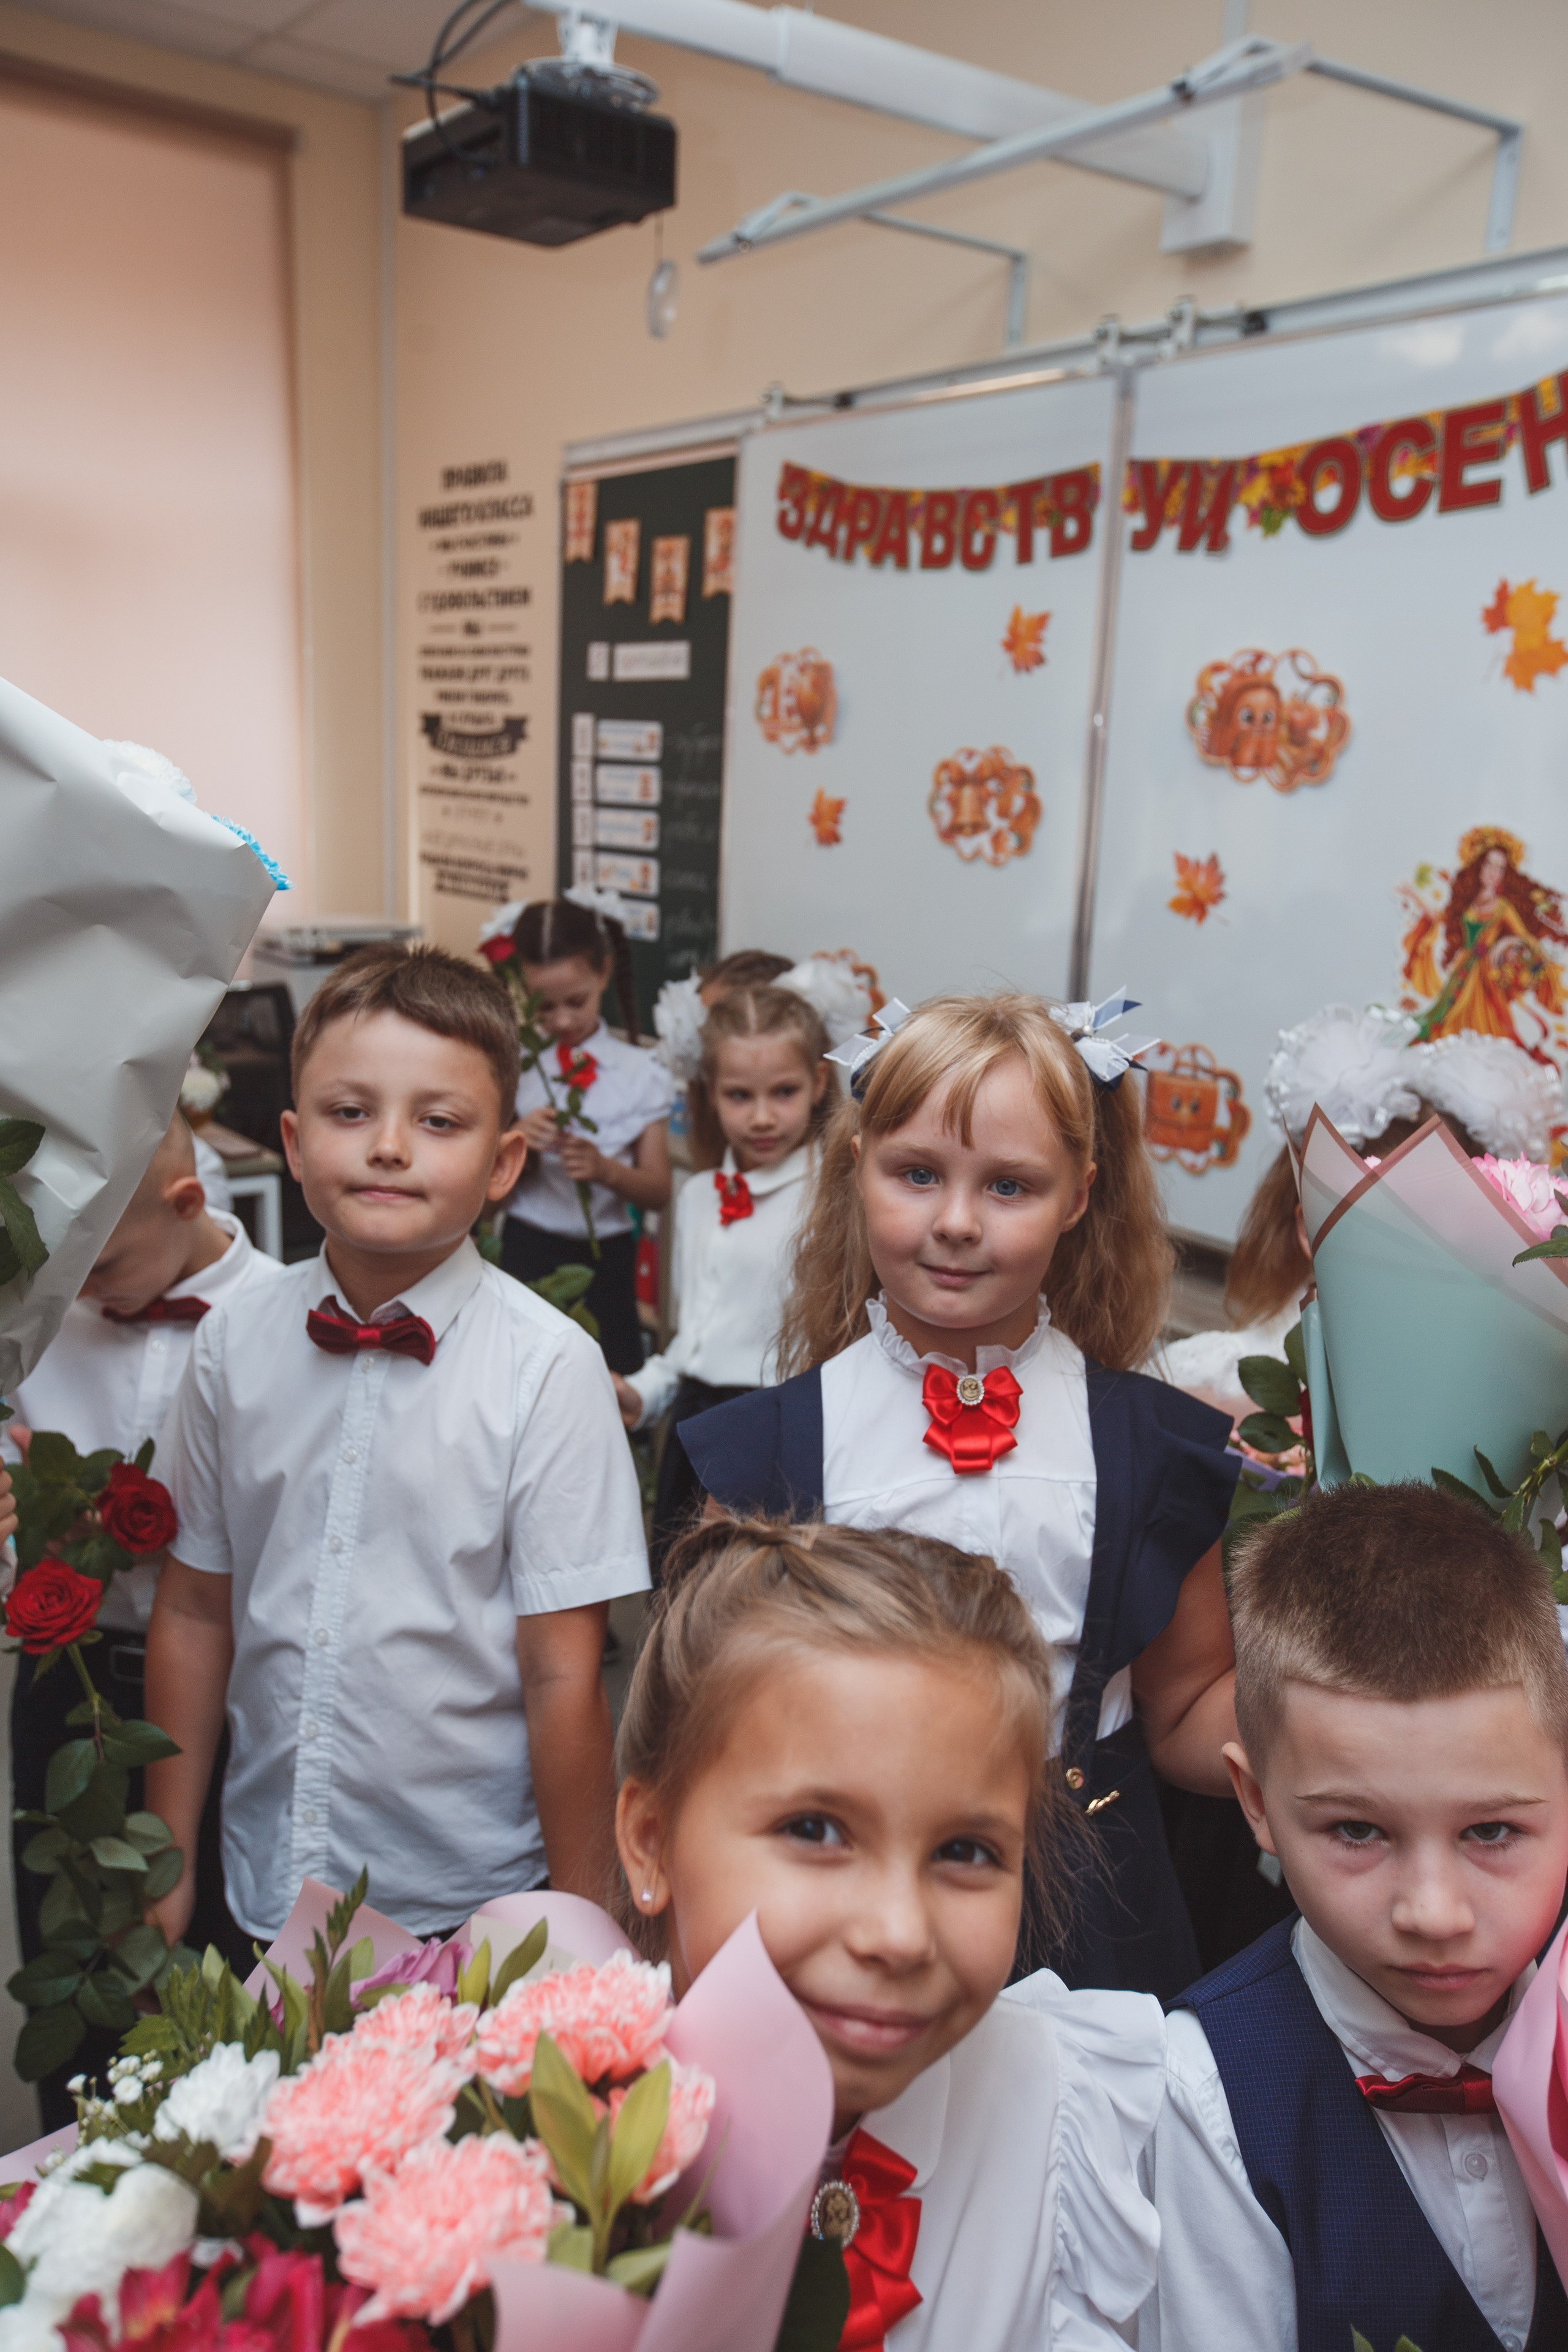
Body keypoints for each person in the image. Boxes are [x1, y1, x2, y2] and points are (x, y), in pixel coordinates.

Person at [680, 991, 1240, 1997]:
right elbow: (718, 1720)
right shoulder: (770, 1451)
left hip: (1095, 1911)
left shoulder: (1147, 1446)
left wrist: (1346, 1713)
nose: (955, 1222)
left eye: (1010, 1186)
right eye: (918, 1174)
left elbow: (1190, 1708)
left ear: (1078, 1198)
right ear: (858, 1168)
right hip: (848, 1897)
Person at [145, 944, 649, 1973]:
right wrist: (167, 1859)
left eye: (439, 1122)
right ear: (293, 1142)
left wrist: (583, 1926)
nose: (387, 1148)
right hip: (264, 1872)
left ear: (503, 1164)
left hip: (466, 1897)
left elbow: (563, 1671)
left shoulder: (547, 1368)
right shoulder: (232, 1343)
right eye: (349, 1112)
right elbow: (195, 1609)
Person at [615, 1516, 1164, 2351]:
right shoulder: (505, 2144)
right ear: (652, 1841)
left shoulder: (1057, 2116)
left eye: (965, 1851)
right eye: (815, 1831)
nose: (901, 1935)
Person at [1139, 1481, 1568, 2352]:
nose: (1433, 1913)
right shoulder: (1206, 2093)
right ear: (1256, 1802)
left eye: (1491, 1831)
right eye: (1358, 1831)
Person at [3, 1115, 284, 2122]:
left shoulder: (281, 1323)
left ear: (188, 1203)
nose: (82, 1290)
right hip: (69, 1688)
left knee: (221, 1967)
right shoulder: (35, 1324)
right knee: (74, 1951)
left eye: (105, 1264)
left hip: (236, 1701)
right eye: (67, 1268)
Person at [1159, 1005, 1561, 1423]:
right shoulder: (1203, 1380)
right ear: (1312, 1230)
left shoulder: (1511, 1397)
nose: (1423, 1258)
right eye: (1391, 1228)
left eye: (1449, 1234)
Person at [614, 982, 836, 1572]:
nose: (762, 1117)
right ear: (709, 1093)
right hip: (694, 1428)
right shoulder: (696, 1196)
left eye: (784, 1092)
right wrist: (645, 1391)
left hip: (781, 1431)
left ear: (818, 1082)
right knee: (678, 1590)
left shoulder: (834, 1198)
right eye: (740, 1095)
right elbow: (696, 1337)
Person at [499, 893, 673, 1376]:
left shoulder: (640, 1073)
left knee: (606, 1380)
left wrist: (605, 1170)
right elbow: (483, 1197)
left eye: (576, 1002)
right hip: (526, 1245)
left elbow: (658, 1191)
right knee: (518, 1375)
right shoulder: (516, 1067)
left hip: (607, 1258)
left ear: (604, 973)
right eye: (544, 1007)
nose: (562, 1021)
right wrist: (515, 1144)